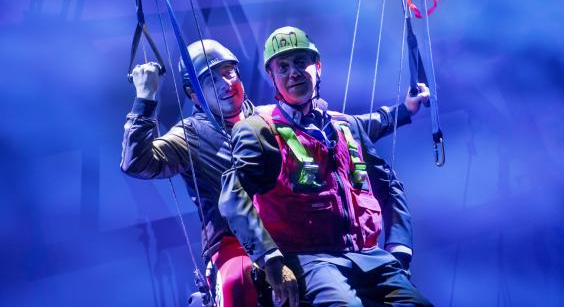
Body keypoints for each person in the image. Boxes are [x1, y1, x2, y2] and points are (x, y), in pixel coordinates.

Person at [121, 38, 429, 307]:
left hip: (289, 236)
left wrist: (404, 111)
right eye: (211, 80)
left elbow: (345, 127)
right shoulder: (189, 136)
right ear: (192, 93)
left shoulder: (270, 119)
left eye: (229, 73)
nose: (226, 84)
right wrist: (145, 100)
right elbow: (137, 163)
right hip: (234, 242)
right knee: (238, 285)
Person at [219, 26, 434, 307]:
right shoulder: (259, 130)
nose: (294, 73)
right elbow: (234, 197)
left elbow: (389, 185)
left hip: (371, 258)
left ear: (317, 67)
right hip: (309, 260)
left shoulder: (346, 126)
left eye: (300, 62)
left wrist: (399, 249)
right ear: (272, 77)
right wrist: (270, 260)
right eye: (283, 67)